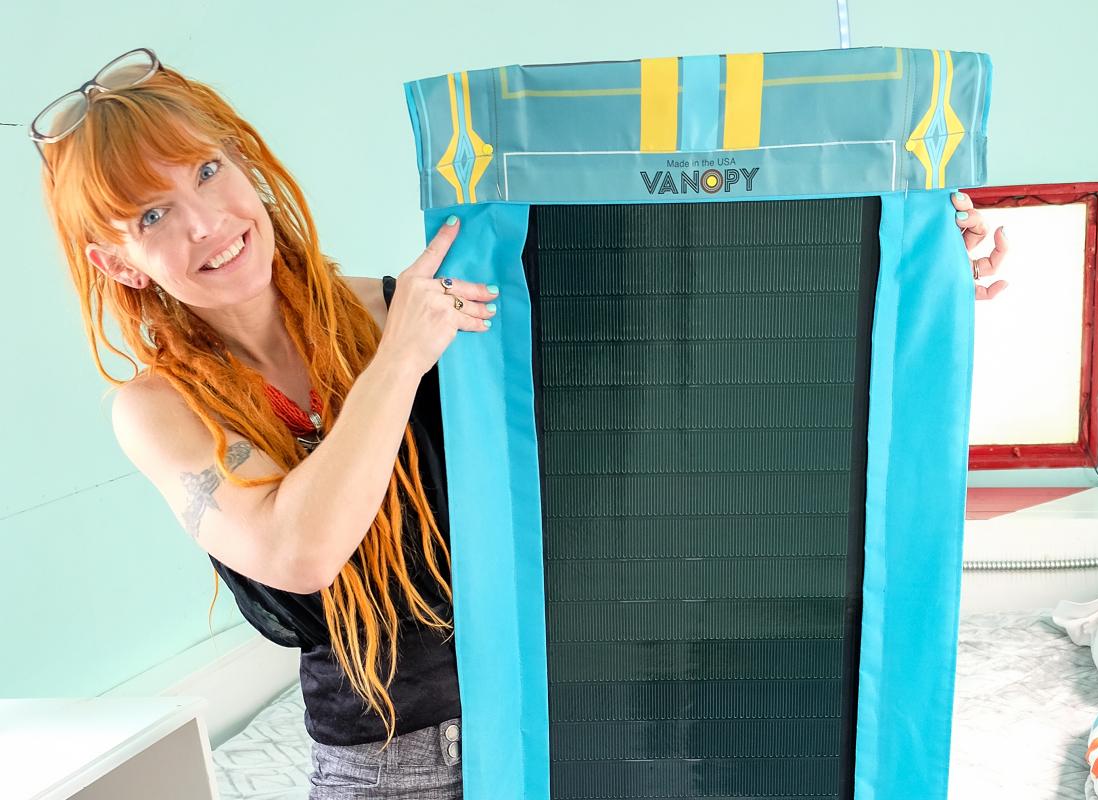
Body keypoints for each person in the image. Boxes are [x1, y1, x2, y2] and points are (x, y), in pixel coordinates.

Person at [30, 48, 1007, 800]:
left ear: (245, 165)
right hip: (388, 768)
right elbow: (299, 545)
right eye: (151, 216)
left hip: (559, 719)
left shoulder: (407, 303)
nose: (204, 221)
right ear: (115, 261)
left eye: (206, 171)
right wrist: (402, 356)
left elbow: (673, 330)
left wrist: (920, 251)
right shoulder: (160, 409)